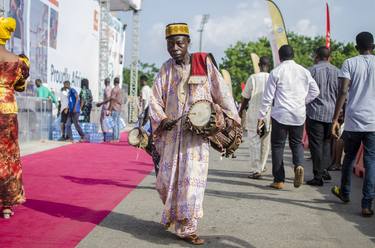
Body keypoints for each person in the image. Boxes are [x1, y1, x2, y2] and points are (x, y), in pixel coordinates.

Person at [149, 23, 240, 245]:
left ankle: (188, 228)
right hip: (171, 136)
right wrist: (163, 120)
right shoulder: (165, 69)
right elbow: (154, 99)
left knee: (191, 184)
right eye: (170, 44)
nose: (175, 48)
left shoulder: (203, 62)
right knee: (164, 183)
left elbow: (222, 92)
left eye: (180, 43)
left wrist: (230, 118)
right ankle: (175, 215)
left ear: (188, 42)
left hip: (196, 138)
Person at [258, 45, 320, 190]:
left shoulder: (276, 72)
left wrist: (261, 116)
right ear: (293, 55)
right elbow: (315, 91)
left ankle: (279, 180)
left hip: (280, 114)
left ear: (279, 57)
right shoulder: (304, 71)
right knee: (297, 143)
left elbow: (268, 97)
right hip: (298, 114)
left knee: (278, 146)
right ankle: (298, 165)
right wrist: (302, 101)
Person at [331, 32, 375, 218]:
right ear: (372, 46)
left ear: (356, 47)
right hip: (373, 121)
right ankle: (366, 204)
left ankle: (345, 193)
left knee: (349, 158)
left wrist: (335, 118)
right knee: (371, 161)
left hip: (353, 120)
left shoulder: (350, 63)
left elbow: (343, 91)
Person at [0, 17, 30, 219]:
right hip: (8, 109)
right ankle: (7, 205)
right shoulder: (18, 61)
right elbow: (20, 86)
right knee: (8, 155)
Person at [305, 46, 340, 186]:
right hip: (332, 114)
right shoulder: (338, 72)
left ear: (316, 57)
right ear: (329, 57)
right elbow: (343, 92)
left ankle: (318, 176)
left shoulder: (311, 71)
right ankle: (324, 169)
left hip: (315, 113)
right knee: (326, 143)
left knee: (316, 145)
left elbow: (305, 91)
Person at [238, 56, 271, 179]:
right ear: (269, 65)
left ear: (258, 64)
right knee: (265, 142)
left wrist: (241, 110)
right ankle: (261, 166)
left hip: (254, 114)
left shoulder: (253, 78)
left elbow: (245, 97)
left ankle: (256, 170)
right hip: (268, 114)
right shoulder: (273, 78)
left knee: (254, 141)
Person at [108, 77, 123, 142]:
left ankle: (115, 138)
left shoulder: (114, 90)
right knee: (117, 123)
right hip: (119, 108)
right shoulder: (120, 89)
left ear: (114, 82)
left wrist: (109, 109)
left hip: (114, 107)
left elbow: (112, 100)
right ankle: (118, 137)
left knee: (114, 124)